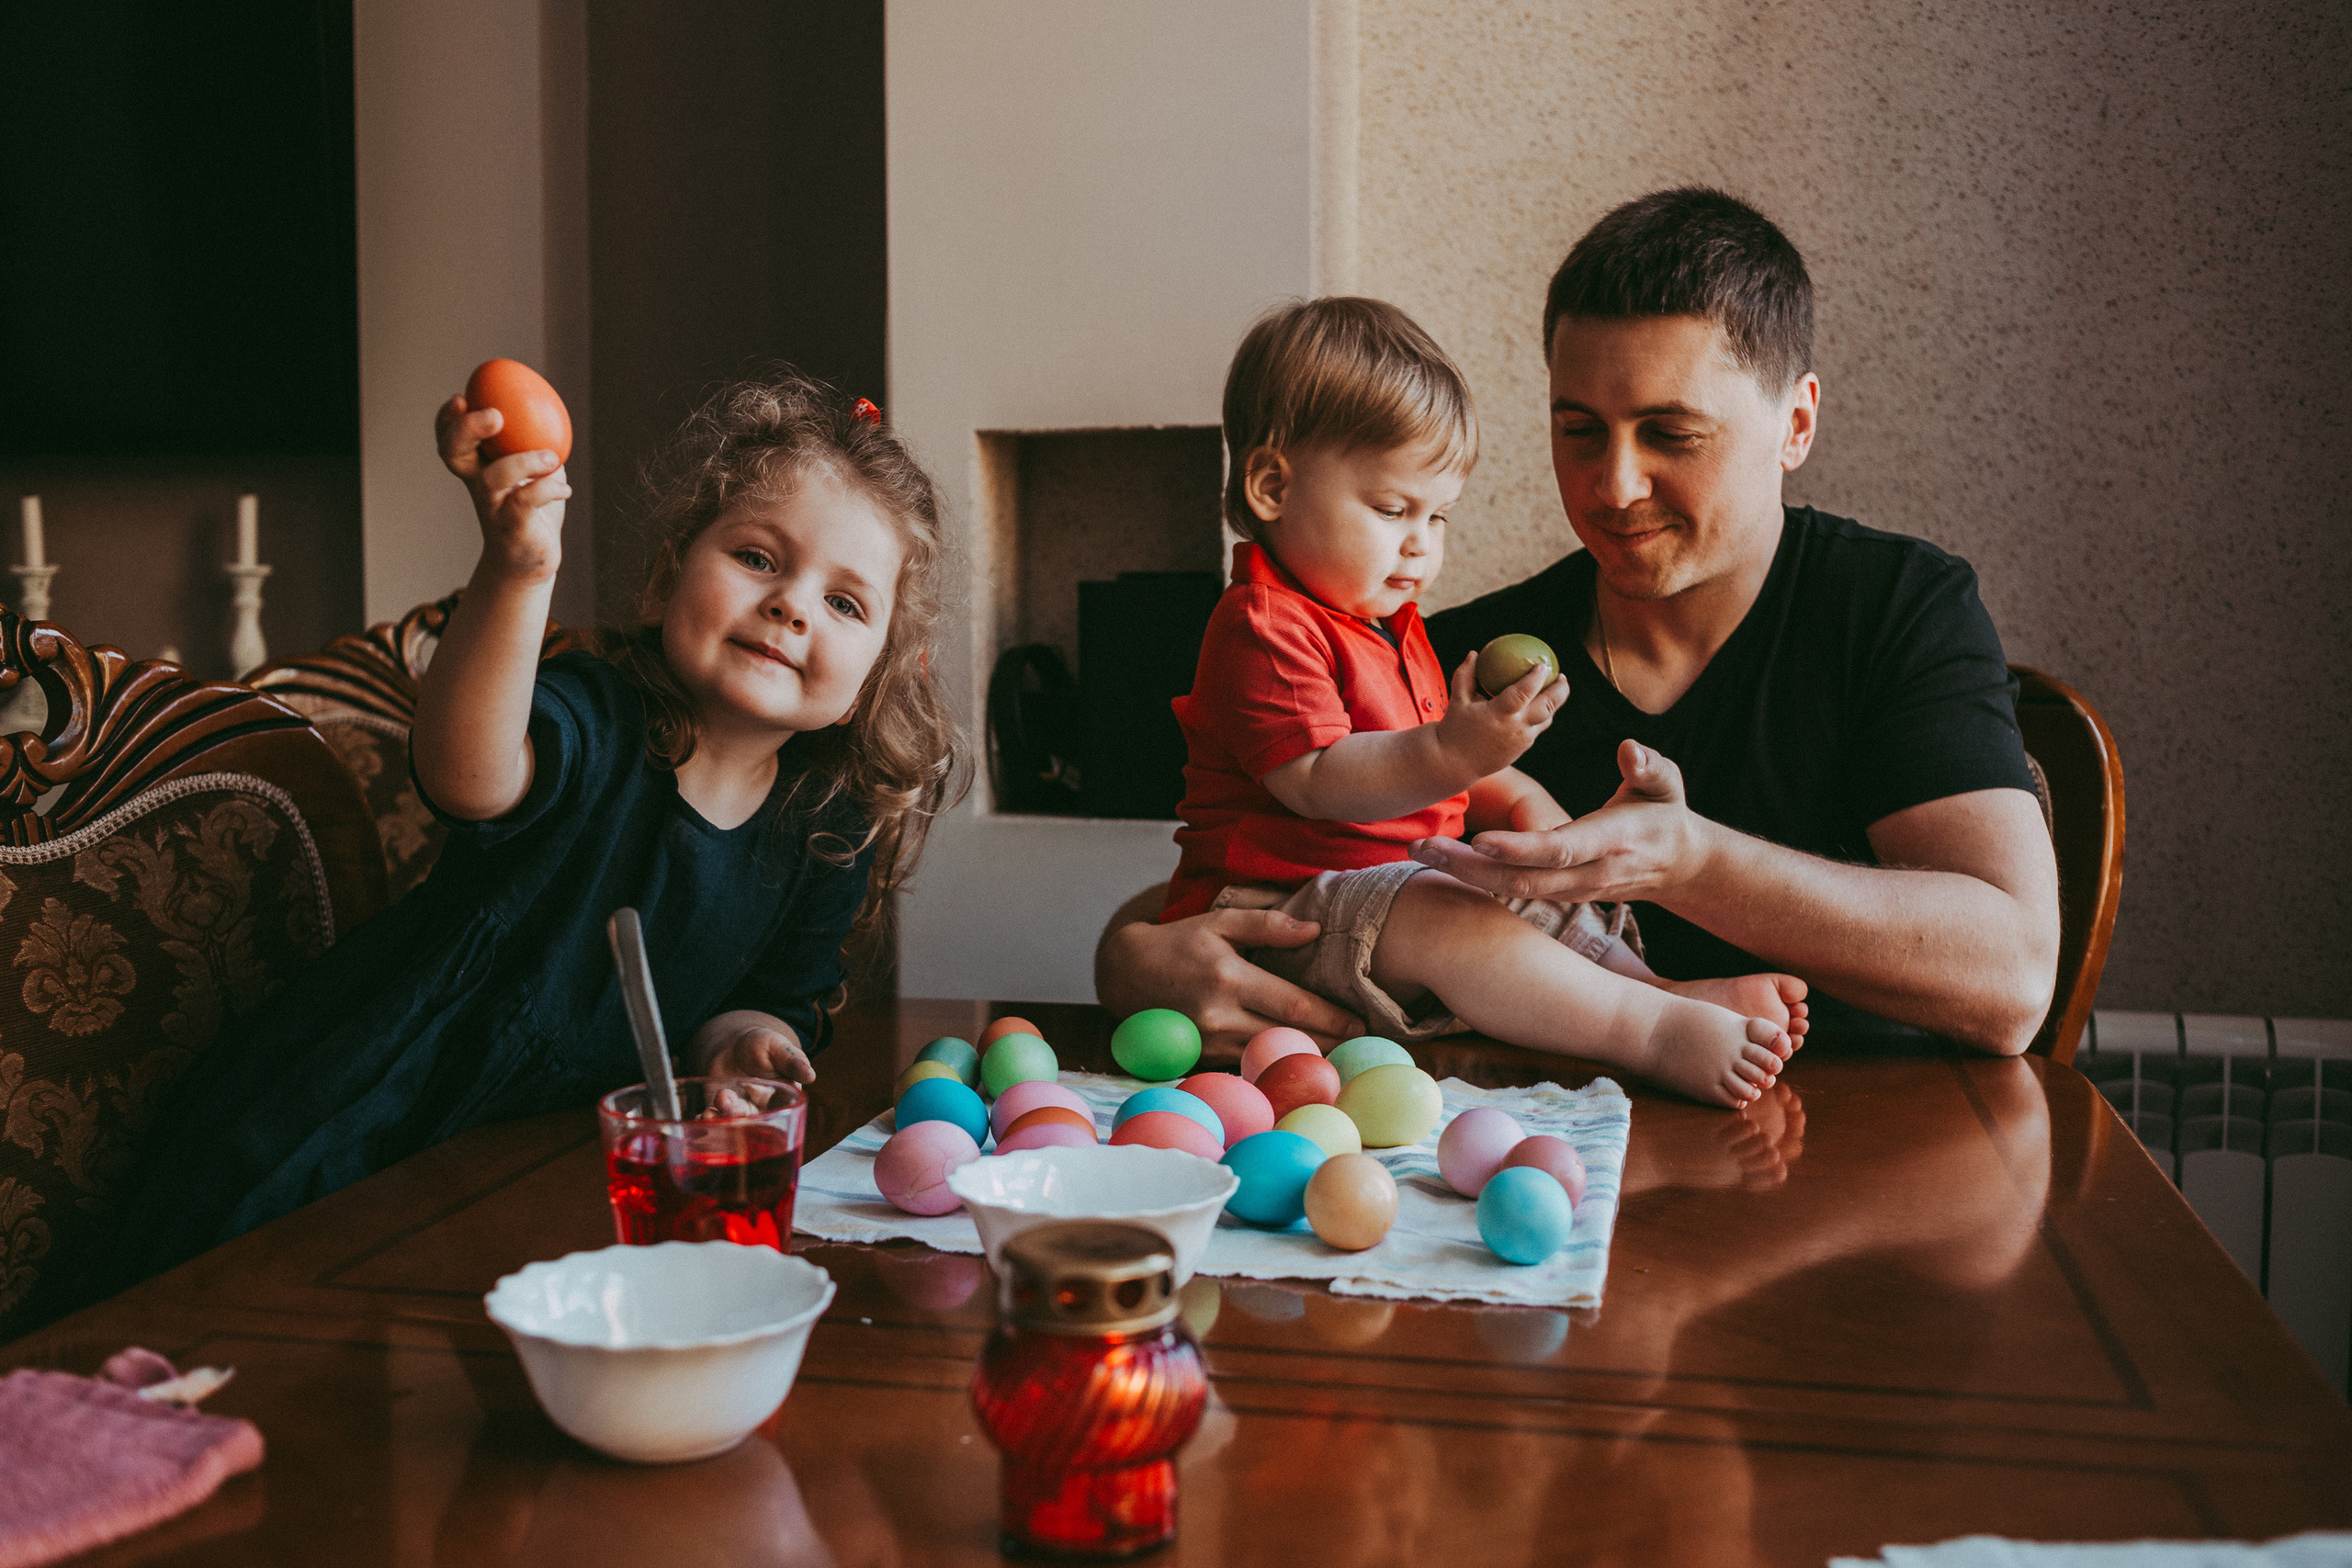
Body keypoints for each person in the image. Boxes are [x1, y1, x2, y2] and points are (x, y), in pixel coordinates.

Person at [1102, 187, 2059, 1057]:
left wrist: (1691, 862)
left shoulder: (1895, 609)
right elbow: (1287, 872)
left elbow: (2010, 981)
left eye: (1671, 435)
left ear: (1795, 425)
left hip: (1867, 1169)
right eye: (1579, 430)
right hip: (1539, 1183)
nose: (1615, 484)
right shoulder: (1465, 667)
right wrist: (1130, 962)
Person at [106, 372, 966, 1283]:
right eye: (757, 558)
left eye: (844, 602)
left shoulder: (822, 830)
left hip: (533, 1162)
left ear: (871, 683)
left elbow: (768, 990)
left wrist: (741, 1043)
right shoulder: (598, 716)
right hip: (359, 1118)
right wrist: (519, 567)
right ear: (667, 577)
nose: (792, 603)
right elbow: (470, 777)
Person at [1164, 298, 1799, 1107]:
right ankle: (1648, 1032)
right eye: (1393, 510)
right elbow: (1318, 780)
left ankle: (1659, 989)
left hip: (1377, 891)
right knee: (1444, 912)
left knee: (1521, 897)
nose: (1422, 543)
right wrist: (1455, 753)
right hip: (1275, 909)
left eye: (1438, 515)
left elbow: (1429, 771)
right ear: (1271, 485)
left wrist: (1526, 807)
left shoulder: (1389, 628)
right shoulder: (1265, 623)